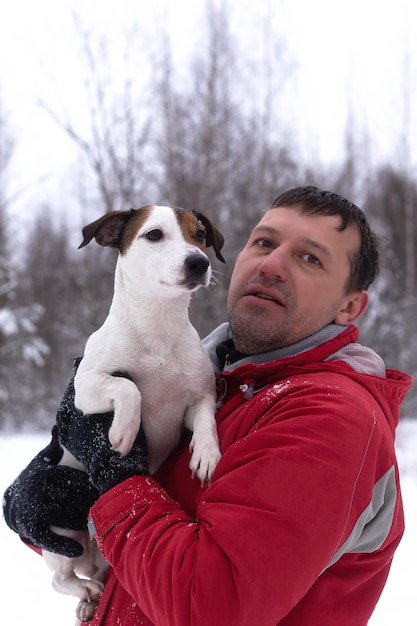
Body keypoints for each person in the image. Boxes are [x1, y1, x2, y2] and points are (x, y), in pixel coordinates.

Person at [3, 186, 412, 625]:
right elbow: (146, 520)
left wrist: (115, 478)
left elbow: (206, 609)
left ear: (350, 306)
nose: (272, 265)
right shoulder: (223, 378)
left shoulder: (329, 420)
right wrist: (48, 500)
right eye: (264, 242)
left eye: (310, 258)